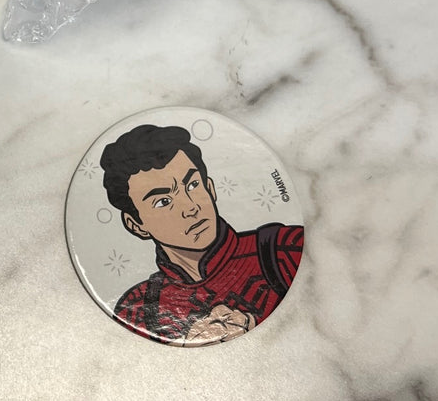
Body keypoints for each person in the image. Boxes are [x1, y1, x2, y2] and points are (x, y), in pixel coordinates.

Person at [99, 125, 302, 346]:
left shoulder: (285, 249)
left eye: (193, 185)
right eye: (164, 201)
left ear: (210, 188)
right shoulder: (136, 310)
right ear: (136, 225)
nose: (190, 207)